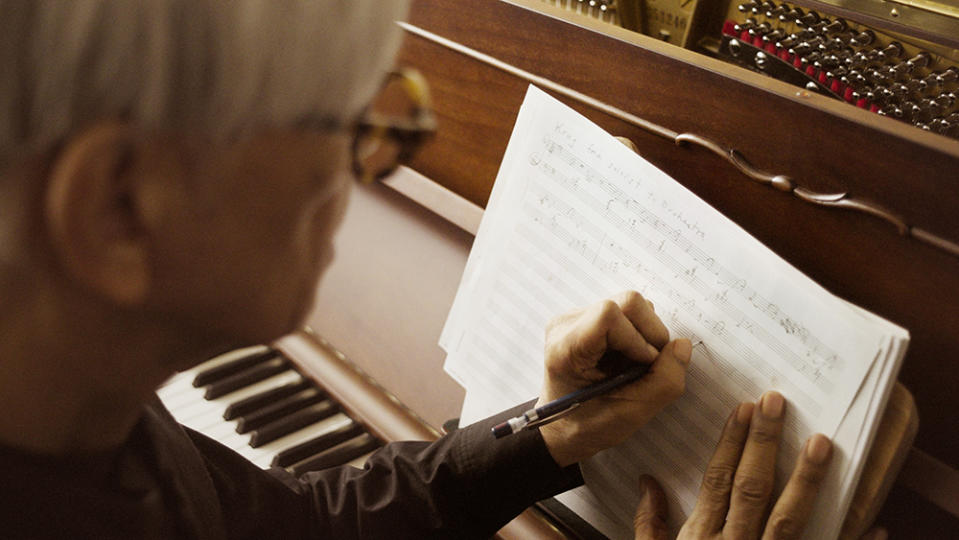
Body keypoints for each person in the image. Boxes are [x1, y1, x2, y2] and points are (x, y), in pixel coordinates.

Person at [0, 1, 838, 538]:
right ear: (117, 209)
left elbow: (283, 527)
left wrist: (545, 438)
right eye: (343, 117)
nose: (373, 170)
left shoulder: (68, 413)